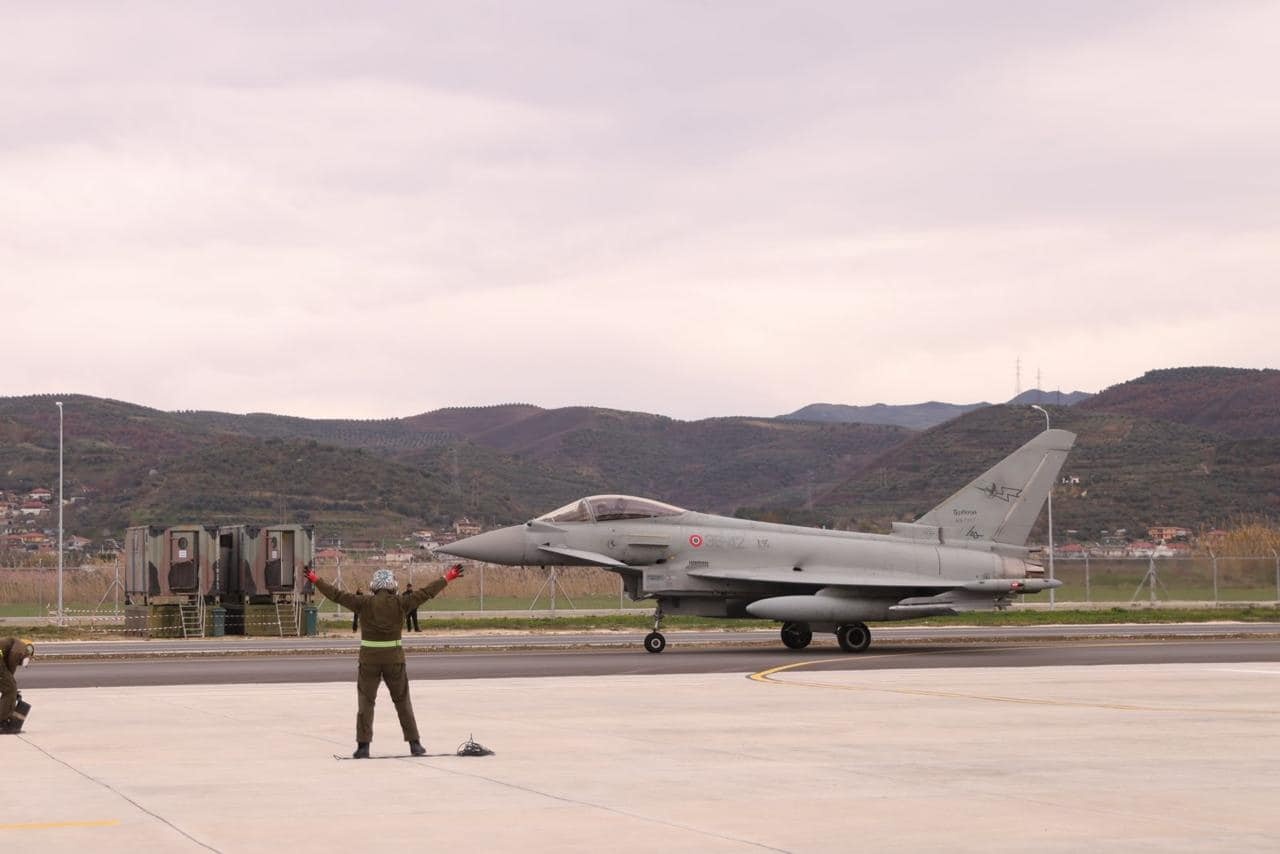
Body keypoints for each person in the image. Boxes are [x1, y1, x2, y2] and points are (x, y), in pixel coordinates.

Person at [305, 563, 465, 758]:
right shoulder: (401, 602)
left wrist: (315, 579)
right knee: (402, 702)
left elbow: (336, 595)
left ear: (374, 586)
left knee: (366, 703)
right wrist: (447, 577)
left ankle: (363, 746)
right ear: (392, 586)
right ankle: (415, 744)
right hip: (394, 660)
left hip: (369, 660)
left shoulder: (363, 602)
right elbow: (426, 593)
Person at [1, 637, 34, 734]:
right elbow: (15, 655)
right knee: (10, 690)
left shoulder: (10, 647)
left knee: (10, 688)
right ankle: (1, 724)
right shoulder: (22, 647)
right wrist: (12, 687)